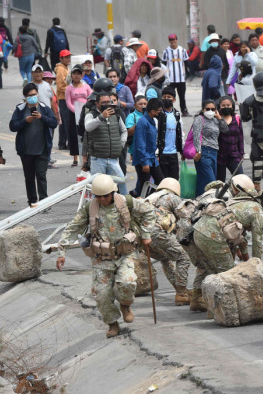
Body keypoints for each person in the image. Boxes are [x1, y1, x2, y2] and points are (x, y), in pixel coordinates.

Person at [56, 174, 155, 338]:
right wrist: (62, 251)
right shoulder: (90, 208)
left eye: (106, 196)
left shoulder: (125, 202)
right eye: (98, 196)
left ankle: (125, 304)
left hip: (126, 253)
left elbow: (148, 212)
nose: (102, 199)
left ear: (112, 192)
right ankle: (112, 323)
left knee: (127, 282)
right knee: (101, 295)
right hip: (101, 258)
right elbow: (73, 228)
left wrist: (145, 233)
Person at [193, 185, 263, 275]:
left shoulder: (242, 200)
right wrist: (257, 267)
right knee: (228, 274)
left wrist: (246, 257)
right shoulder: (258, 212)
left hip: (198, 230)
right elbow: (257, 244)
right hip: (213, 236)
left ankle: (199, 289)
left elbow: (241, 238)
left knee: (210, 271)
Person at [144, 178, 193, 305]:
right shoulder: (170, 197)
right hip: (158, 233)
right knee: (184, 257)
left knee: (165, 259)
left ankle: (180, 289)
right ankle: (181, 293)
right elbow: (187, 214)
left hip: (143, 238)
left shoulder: (150, 198)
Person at [9, 83, 58, 207]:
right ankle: (32, 202)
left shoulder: (45, 109)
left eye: (34, 94)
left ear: (38, 94)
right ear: (25, 97)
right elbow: (12, 126)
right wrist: (24, 121)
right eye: (30, 95)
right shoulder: (20, 110)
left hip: (42, 150)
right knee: (29, 178)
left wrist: (42, 117)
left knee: (41, 176)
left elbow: (53, 123)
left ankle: (44, 202)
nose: (33, 97)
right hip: (26, 151)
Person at [85, 92, 128, 195]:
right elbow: (88, 127)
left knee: (121, 181)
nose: (107, 104)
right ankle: (96, 208)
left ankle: (126, 205)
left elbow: (124, 131)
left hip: (113, 159)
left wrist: (120, 145)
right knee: (99, 187)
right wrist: (101, 117)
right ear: (97, 104)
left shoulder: (116, 115)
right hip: (98, 159)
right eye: (103, 102)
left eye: (108, 102)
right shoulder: (91, 115)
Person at [191, 99, 228, 196]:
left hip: (214, 152)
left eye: (213, 109)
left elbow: (225, 129)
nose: (210, 111)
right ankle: (211, 201)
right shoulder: (199, 119)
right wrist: (198, 151)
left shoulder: (216, 119)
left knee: (203, 181)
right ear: (203, 109)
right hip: (203, 152)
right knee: (212, 182)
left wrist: (219, 117)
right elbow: (196, 135)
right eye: (207, 109)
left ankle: (198, 202)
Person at [132, 98, 164, 195]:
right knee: (144, 186)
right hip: (144, 159)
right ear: (153, 111)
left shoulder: (152, 120)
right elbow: (140, 143)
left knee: (161, 182)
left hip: (152, 158)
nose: (160, 112)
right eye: (159, 110)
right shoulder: (143, 122)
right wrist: (144, 162)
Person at [65, 66, 92, 166]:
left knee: (86, 134)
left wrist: (85, 111)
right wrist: (76, 112)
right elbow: (68, 103)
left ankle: (87, 156)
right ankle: (75, 158)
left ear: (82, 75)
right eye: (74, 74)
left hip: (86, 113)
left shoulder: (86, 86)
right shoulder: (69, 88)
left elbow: (90, 99)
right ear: (71, 75)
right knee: (74, 135)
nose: (76, 76)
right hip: (73, 114)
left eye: (78, 74)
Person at [216, 96, 244, 181]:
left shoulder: (237, 118)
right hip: (219, 156)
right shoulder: (215, 119)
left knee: (240, 180)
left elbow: (240, 137)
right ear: (219, 107)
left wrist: (241, 153)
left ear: (232, 106)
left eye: (228, 105)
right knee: (219, 182)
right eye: (223, 105)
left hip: (234, 155)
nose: (226, 107)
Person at [162, 33, 190, 117]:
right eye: (171, 40)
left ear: (176, 40)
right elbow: (163, 64)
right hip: (170, 79)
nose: (173, 41)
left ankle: (184, 111)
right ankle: (169, 111)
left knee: (182, 96)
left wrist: (188, 73)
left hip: (181, 78)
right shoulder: (166, 51)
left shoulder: (182, 50)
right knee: (169, 96)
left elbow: (186, 62)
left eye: (174, 39)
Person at [157, 86, 182, 179]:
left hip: (173, 153)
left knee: (174, 180)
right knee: (163, 181)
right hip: (162, 153)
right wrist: (156, 153)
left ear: (174, 100)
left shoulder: (177, 114)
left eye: (169, 97)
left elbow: (179, 132)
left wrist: (181, 150)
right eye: (164, 97)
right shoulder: (158, 114)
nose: (166, 99)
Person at [54, 49, 71, 150]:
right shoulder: (61, 69)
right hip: (64, 98)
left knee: (64, 122)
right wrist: (72, 91)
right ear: (61, 58)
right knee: (67, 121)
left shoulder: (65, 68)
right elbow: (61, 86)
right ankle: (69, 143)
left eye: (69, 57)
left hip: (64, 98)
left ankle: (62, 143)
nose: (68, 59)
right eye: (66, 57)